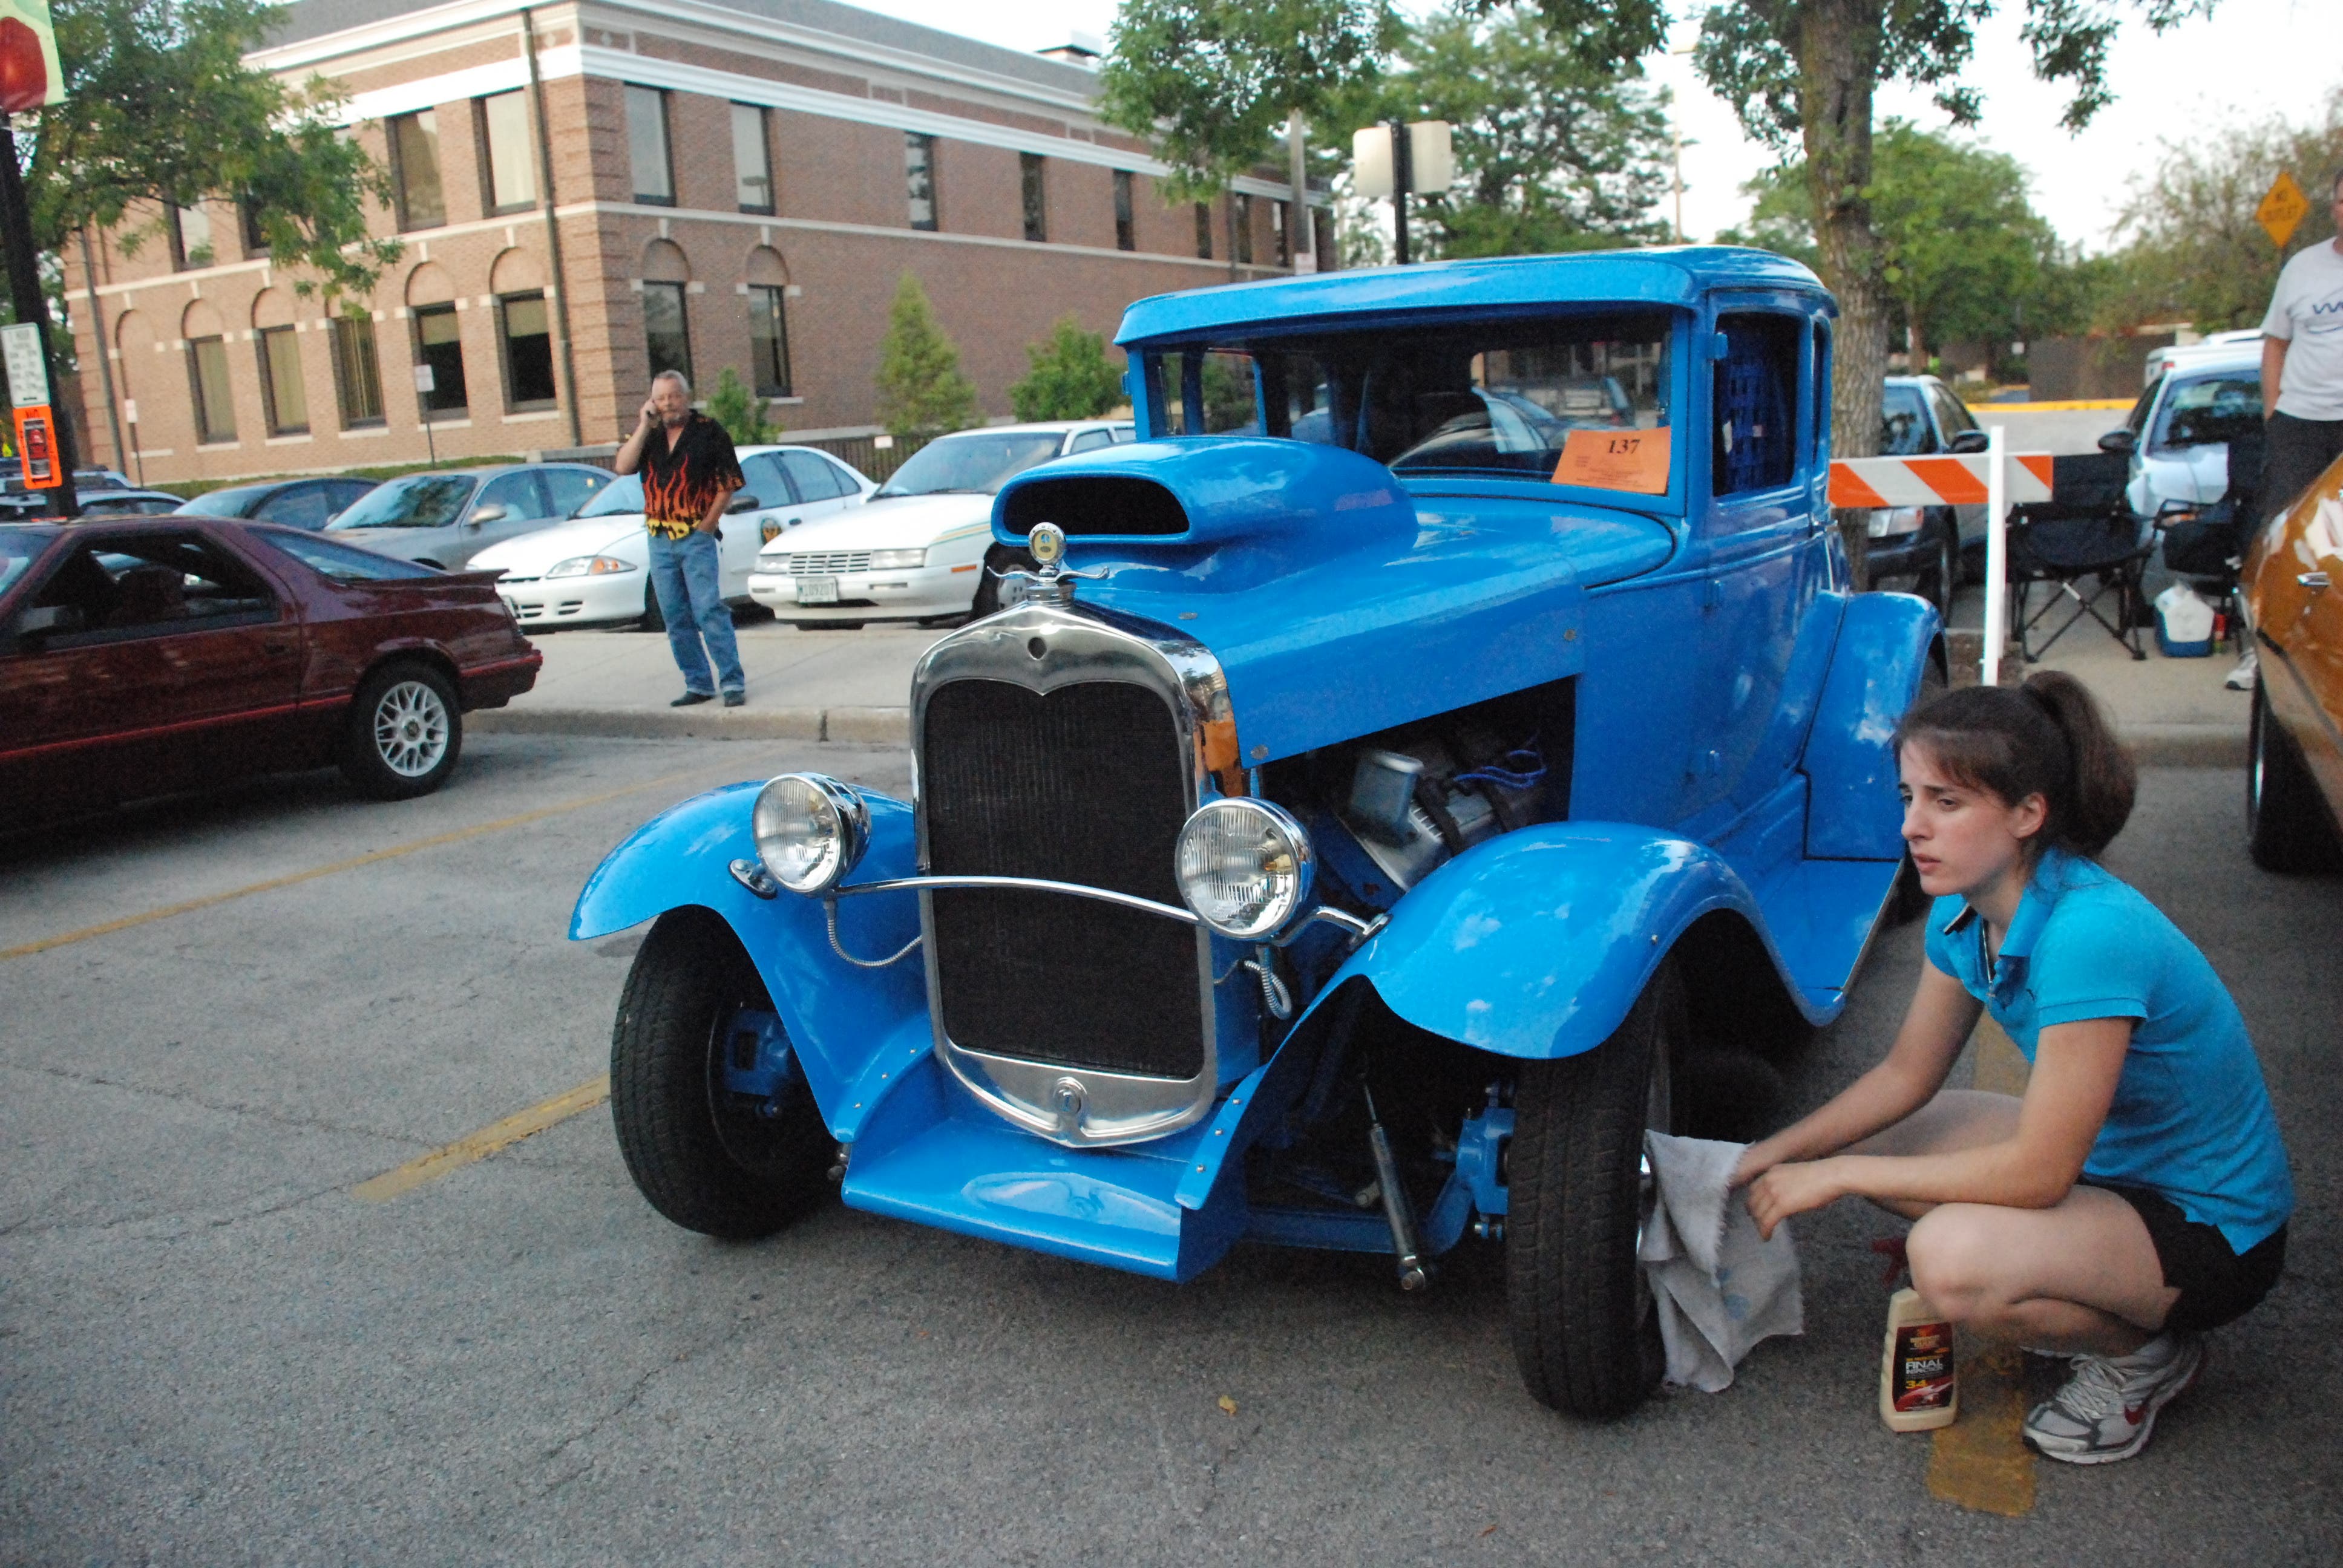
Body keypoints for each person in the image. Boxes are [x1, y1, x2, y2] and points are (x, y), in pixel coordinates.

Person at [1732, 672, 2292, 1465]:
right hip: (2113, 1165)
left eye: (1947, 804)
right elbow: (1903, 1078)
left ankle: (2144, 1356)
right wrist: (1777, 1153)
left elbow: (2038, 1172)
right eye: (1909, 797)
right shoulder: (1965, 914)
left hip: (2208, 1225)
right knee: (1900, 1137)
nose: (1913, 827)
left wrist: (1840, 1177)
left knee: (1950, 1262)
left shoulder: (2089, 933)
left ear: (2030, 813)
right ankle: (2055, 1266)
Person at [614, 370, 746, 708]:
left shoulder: (709, 432)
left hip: (694, 536)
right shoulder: (651, 435)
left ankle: (732, 682)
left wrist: (707, 525)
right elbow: (623, 467)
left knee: (708, 610)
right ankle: (698, 683)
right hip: (659, 538)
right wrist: (644, 425)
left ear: (685, 397)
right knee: (674, 615)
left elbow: (729, 482)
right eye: (660, 398)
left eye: (673, 396)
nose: (667, 404)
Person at [2258, 168, 2343, 523]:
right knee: (2289, 528)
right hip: (2301, 425)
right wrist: (2273, 414)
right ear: (2334, 208)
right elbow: (2275, 345)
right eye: (2342, 201)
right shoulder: (2302, 267)